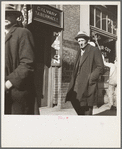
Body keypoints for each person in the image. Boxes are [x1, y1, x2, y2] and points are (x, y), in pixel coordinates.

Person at [5, 4, 39, 114]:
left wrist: (7, 84)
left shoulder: (23, 33)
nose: (5, 17)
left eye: (9, 14)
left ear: (16, 17)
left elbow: (28, 63)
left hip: (16, 93)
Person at [65, 31, 104, 115]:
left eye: (82, 40)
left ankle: (87, 123)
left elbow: (100, 67)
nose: (80, 43)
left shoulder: (94, 50)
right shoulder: (79, 51)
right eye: (79, 41)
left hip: (87, 83)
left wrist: (91, 78)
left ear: (86, 40)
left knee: (87, 106)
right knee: (74, 100)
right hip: (77, 83)